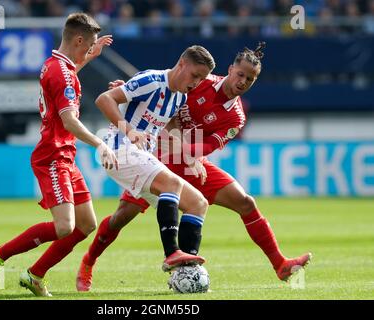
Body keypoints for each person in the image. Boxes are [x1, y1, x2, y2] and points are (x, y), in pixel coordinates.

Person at [76, 42, 312, 291]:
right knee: (121, 217)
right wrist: (126, 95)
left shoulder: (236, 117)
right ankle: (88, 262)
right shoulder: (200, 79)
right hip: (157, 153)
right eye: (240, 74)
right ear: (230, 70)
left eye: (250, 79)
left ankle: (279, 264)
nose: (243, 81)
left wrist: (188, 155)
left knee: (245, 202)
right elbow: (161, 88)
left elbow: (205, 147)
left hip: (190, 161)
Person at [0, 13, 117, 297]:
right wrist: (100, 144)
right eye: (89, 45)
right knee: (65, 226)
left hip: (64, 155)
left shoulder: (54, 65)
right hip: (53, 156)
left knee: (86, 224)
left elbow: (67, 79)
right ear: (78, 40)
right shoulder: (61, 73)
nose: (90, 49)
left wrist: (90, 57)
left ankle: (35, 274)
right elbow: (69, 121)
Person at [76, 45, 216, 291]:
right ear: (181, 63)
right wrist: (129, 130)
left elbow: (169, 125)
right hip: (120, 150)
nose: (197, 82)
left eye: (202, 79)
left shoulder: (180, 96)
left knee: (198, 203)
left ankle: (186, 269)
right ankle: (172, 253)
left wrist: (190, 156)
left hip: (142, 157)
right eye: (195, 75)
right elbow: (104, 99)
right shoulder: (151, 80)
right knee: (172, 185)